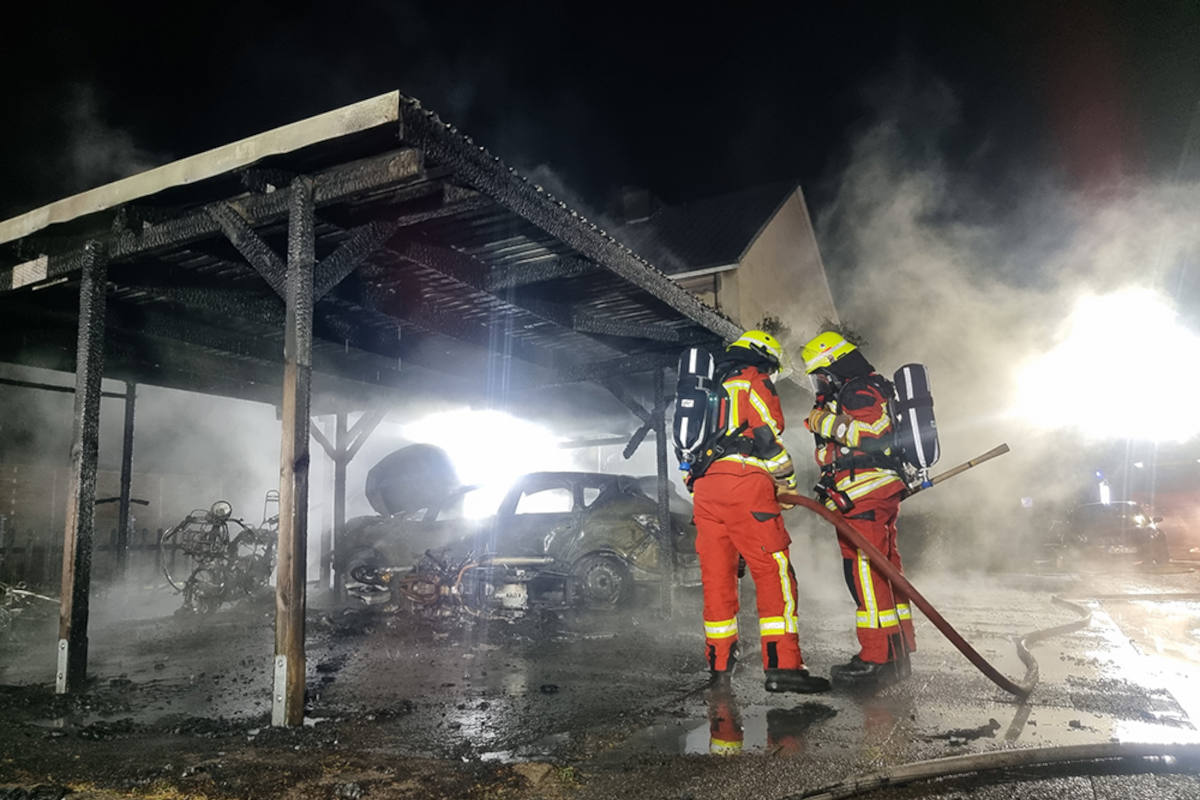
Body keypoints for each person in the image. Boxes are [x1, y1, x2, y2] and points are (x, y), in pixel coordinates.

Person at [688, 330, 830, 694]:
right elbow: (767, 437)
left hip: (705, 488)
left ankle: (719, 666)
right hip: (744, 484)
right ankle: (784, 667)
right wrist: (788, 482)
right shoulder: (753, 379)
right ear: (763, 357)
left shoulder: (708, 389)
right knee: (775, 572)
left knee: (718, 579)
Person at [799, 331, 916, 686]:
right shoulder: (869, 387)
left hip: (864, 495)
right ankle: (897, 654)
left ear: (834, 367)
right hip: (872, 495)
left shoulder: (858, 389)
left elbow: (873, 430)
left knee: (864, 574)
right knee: (885, 573)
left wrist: (821, 421)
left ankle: (875, 658)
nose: (820, 382)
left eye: (821, 374)